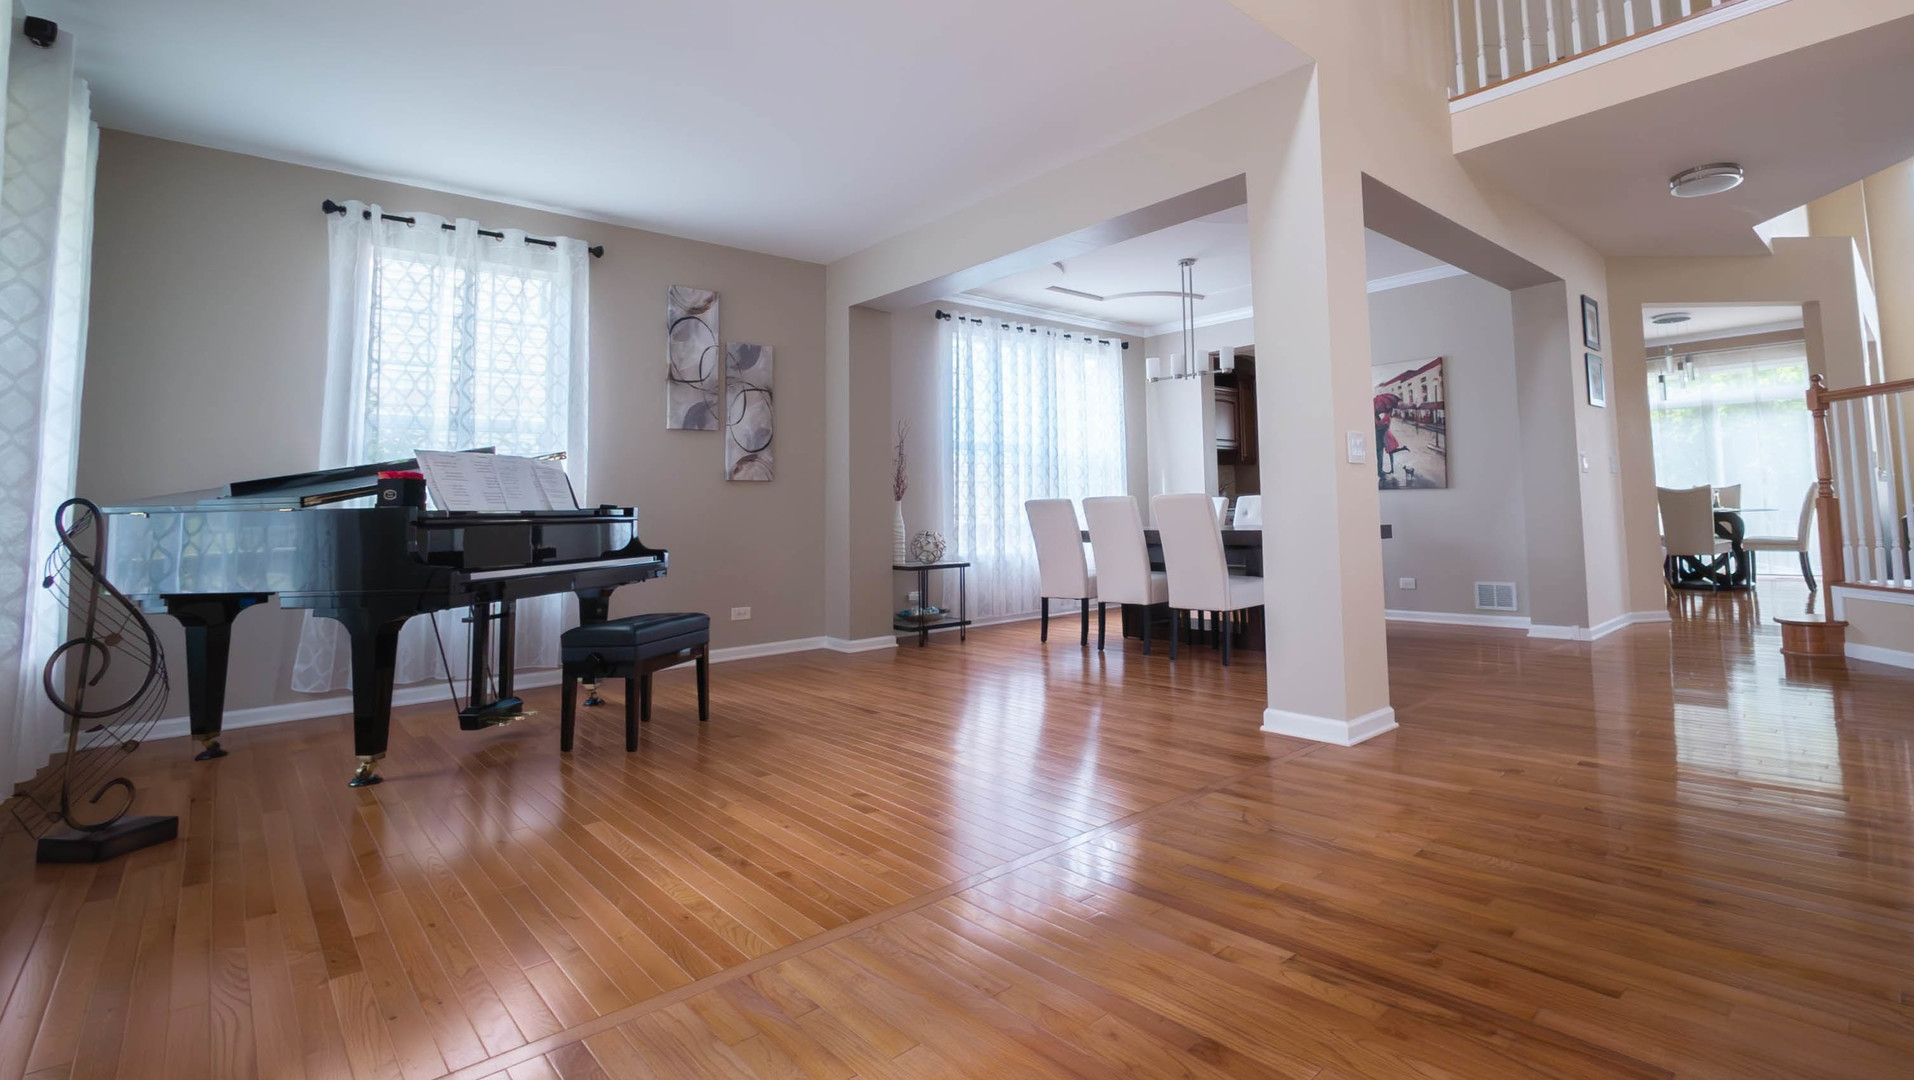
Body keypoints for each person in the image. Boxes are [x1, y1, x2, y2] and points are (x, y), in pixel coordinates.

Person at [1372, 391, 1403, 482]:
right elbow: (1378, 428)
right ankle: (1379, 471)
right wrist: (1384, 426)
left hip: (1380, 440)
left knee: (1379, 456)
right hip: (1378, 439)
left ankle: (1380, 471)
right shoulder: (1375, 416)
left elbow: (1381, 426)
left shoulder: (1377, 416)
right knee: (1378, 456)